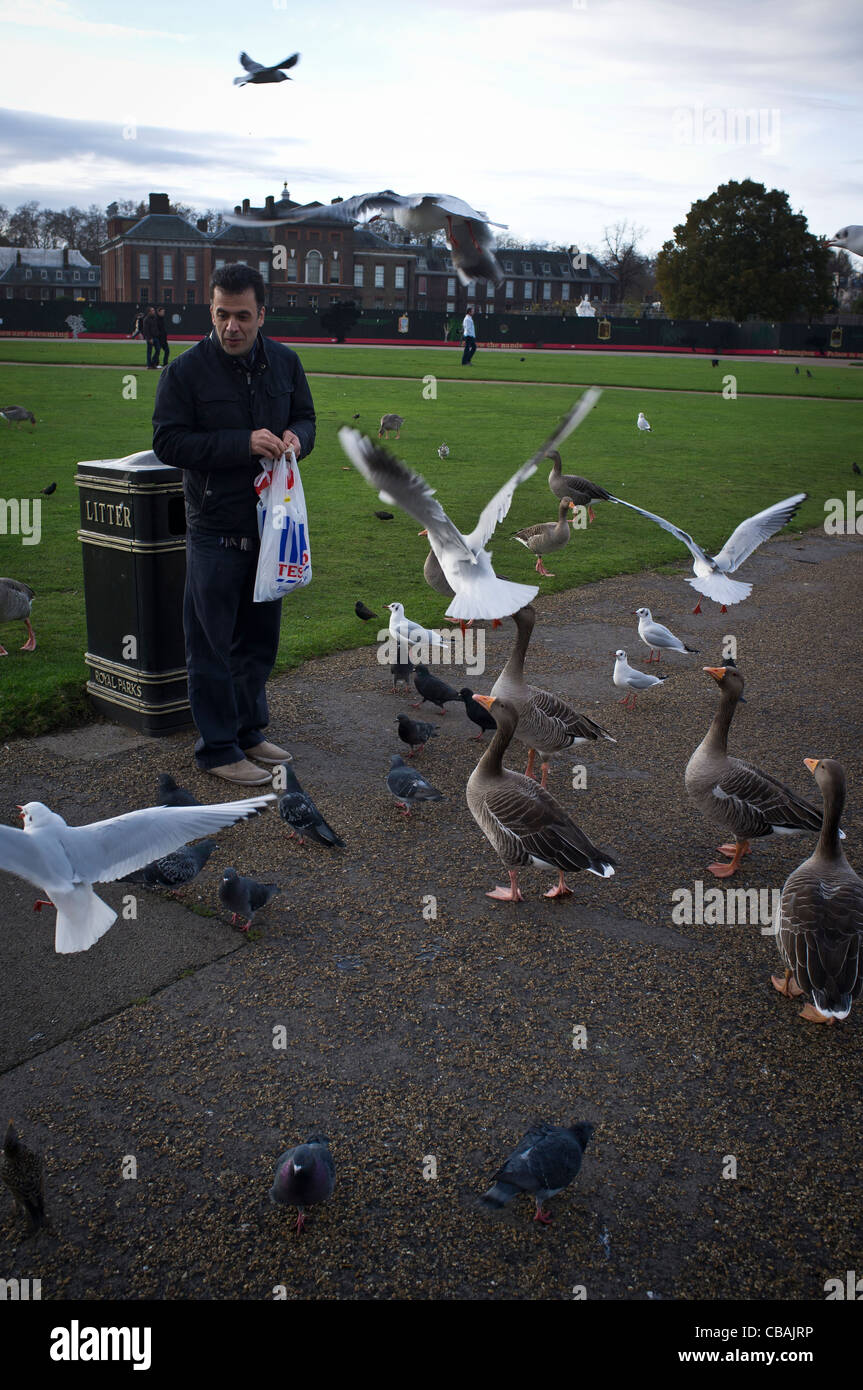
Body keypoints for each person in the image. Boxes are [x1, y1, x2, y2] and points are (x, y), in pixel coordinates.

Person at [152, 262, 316, 786]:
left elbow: (307, 419)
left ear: (262, 314)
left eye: (242, 316)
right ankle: (218, 750)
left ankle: (249, 732)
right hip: (214, 530)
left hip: (271, 530)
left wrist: (296, 440)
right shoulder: (185, 371)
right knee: (211, 647)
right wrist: (240, 443)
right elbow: (168, 443)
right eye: (222, 314)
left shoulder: (286, 363)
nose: (231, 327)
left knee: (258, 641)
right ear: (212, 310)